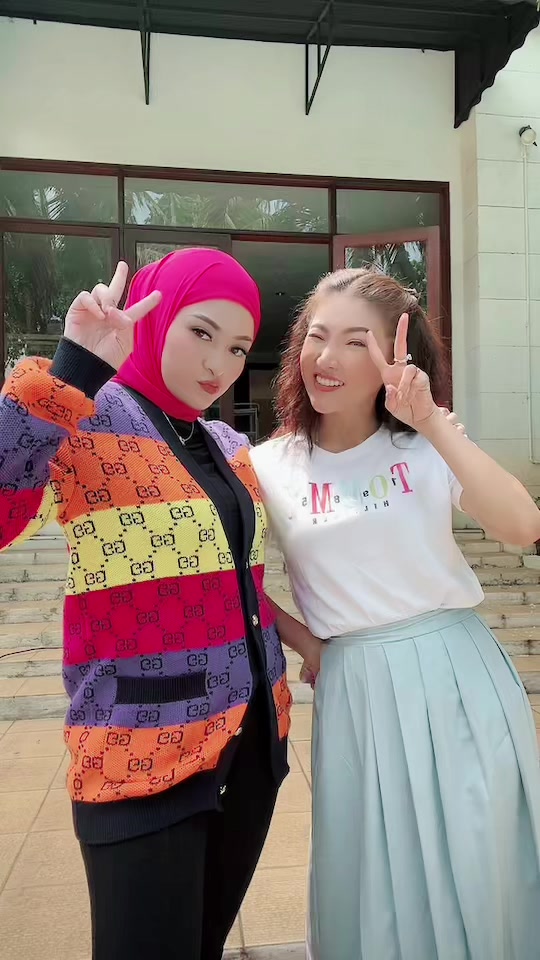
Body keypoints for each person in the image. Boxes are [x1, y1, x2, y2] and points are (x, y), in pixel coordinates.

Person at [0, 249, 320, 960]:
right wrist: (75, 368)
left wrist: (303, 643)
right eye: (201, 332)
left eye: (237, 347)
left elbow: (236, 584)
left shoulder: (228, 443)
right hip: (138, 752)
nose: (219, 364)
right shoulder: (86, 413)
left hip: (250, 748)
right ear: (156, 317)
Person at [251, 268, 540, 960]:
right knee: (373, 874)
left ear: (396, 355)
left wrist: (433, 422)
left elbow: (523, 526)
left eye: (357, 342)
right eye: (317, 336)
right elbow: (230, 577)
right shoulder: (267, 466)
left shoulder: (425, 445)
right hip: (356, 686)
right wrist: (304, 640)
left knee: (477, 858)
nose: (327, 358)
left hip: (456, 672)